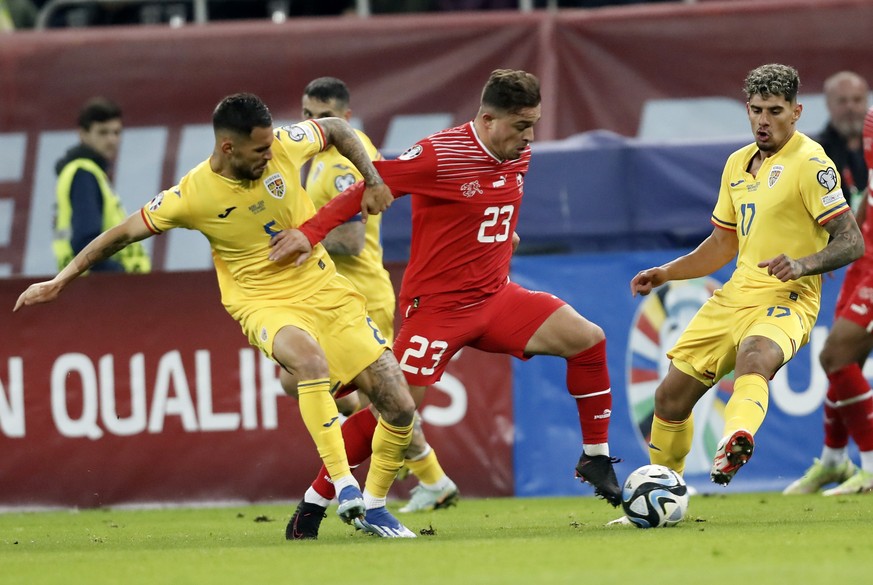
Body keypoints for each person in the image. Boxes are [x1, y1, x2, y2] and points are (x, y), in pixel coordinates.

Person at [15, 93, 419, 539]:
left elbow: (338, 129)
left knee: (400, 408)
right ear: (228, 148)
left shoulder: (284, 144)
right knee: (309, 364)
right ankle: (346, 487)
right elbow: (120, 233)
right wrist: (61, 280)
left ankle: (371, 506)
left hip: (325, 289)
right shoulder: (192, 195)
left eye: (271, 146)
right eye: (259, 150)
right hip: (261, 301)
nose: (271, 155)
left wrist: (373, 177)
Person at [269, 69, 624, 509]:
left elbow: (499, 200)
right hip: (437, 310)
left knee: (587, 339)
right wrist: (309, 232)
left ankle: (596, 457)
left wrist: (503, 234)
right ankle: (316, 501)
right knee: (390, 409)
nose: (530, 136)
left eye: (533, 123)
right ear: (488, 119)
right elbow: (369, 184)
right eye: (521, 126)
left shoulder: (516, 152)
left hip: (496, 297)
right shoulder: (440, 153)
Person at [627, 63, 863, 492]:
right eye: (756, 110)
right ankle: (666, 490)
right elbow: (721, 245)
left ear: (796, 112)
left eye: (775, 111)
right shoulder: (737, 163)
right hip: (735, 295)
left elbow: (852, 241)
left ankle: (737, 437)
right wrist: (666, 273)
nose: (763, 120)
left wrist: (803, 265)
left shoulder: (811, 163)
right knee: (668, 399)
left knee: (755, 357)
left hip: (789, 296)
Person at [286, 77, 459, 541]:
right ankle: (427, 474)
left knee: (362, 394)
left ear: (343, 116)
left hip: (360, 296)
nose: (309, 123)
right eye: (305, 113)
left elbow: (351, 236)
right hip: (333, 300)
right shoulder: (320, 158)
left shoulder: (345, 159)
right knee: (312, 383)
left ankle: (424, 477)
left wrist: (303, 236)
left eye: (319, 114)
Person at [783, 106, 873, 496]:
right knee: (844, 362)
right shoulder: (869, 124)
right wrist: (841, 241)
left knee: (834, 356)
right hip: (864, 260)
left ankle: (870, 467)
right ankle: (835, 461)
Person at [53, 97, 151, 274]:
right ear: (83, 134)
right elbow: (86, 243)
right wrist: (118, 275)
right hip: (102, 288)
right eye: (103, 132)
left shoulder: (88, 173)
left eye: (116, 132)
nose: (112, 140)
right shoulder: (84, 173)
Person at [817, 71, 869, 211]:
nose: (850, 107)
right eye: (842, 101)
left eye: (857, 99)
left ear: (866, 102)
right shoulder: (815, 153)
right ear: (828, 104)